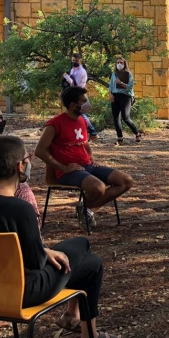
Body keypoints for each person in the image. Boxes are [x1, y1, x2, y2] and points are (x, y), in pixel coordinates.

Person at [0, 135, 120, 338]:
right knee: (90, 260)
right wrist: (46, 252)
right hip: (21, 291)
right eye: (28, 158)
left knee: (80, 246)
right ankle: (87, 337)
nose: (29, 162)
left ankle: (72, 317)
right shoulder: (20, 208)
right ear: (19, 166)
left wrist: (45, 249)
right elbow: (36, 263)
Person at [35, 86, 134, 233]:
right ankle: (85, 209)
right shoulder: (54, 124)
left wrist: (91, 158)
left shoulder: (82, 120)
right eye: (84, 101)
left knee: (125, 181)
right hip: (69, 171)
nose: (88, 104)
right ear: (73, 105)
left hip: (88, 165)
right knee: (98, 188)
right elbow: (39, 151)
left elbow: (84, 142)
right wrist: (62, 167)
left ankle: (87, 210)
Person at [62, 53, 99, 140]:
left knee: (81, 113)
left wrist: (66, 77)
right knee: (74, 113)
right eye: (73, 60)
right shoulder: (73, 69)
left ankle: (93, 133)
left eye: (76, 60)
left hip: (79, 94)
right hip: (74, 94)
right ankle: (75, 132)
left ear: (80, 60)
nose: (74, 62)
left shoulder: (81, 72)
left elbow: (76, 84)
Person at [108, 56, 143, 146]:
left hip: (126, 96)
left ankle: (137, 133)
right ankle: (120, 138)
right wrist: (110, 94)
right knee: (116, 117)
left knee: (125, 117)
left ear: (124, 64)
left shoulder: (128, 74)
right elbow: (111, 86)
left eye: (121, 63)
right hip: (115, 96)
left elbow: (129, 87)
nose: (119, 64)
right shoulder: (114, 74)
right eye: (118, 63)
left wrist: (121, 83)